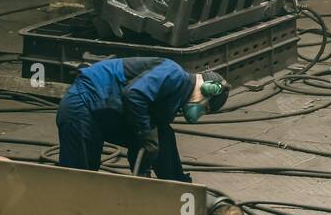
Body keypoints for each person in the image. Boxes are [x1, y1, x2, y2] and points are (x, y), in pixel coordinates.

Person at [55, 58, 230, 181]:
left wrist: (143, 169)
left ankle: (177, 188)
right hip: (83, 104)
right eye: (205, 108)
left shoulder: (174, 98)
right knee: (78, 179)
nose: (200, 113)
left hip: (103, 111)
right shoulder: (174, 74)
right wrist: (146, 133)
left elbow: (142, 128)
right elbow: (134, 94)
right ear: (208, 89)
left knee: (162, 136)